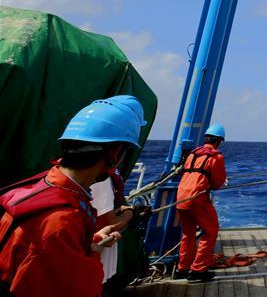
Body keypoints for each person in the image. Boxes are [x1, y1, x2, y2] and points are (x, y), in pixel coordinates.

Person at [0, 96, 144, 297]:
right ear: (114, 153)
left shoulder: (45, 189)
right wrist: (94, 254)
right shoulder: (61, 221)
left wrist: (92, 241)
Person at [91, 95, 150, 287]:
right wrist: (130, 213)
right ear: (117, 150)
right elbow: (110, 224)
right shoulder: (101, 179)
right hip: (96, 267)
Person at [174, 123, 228, 284]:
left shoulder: (192, 154)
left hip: (181, 197)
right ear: (219, 141)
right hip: (197, 198)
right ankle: (198, 270)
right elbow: (218, 182)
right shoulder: (216, 157)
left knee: (188, 233)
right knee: (211, 231)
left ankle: (183, 269)